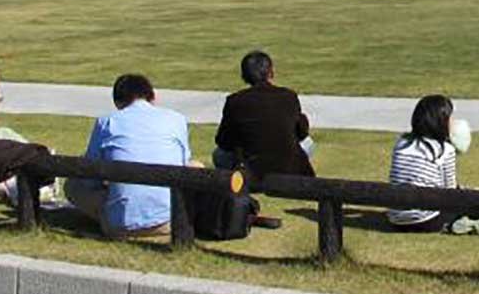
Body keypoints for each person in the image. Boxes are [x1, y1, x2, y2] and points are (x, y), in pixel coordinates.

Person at [64, 74, 192, 238]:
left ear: (117, 103)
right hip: (172, 220)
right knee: (195, 167)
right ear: (153, 97)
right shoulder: (177, 119)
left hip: (120, 224)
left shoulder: (107, 122)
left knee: (73, 185)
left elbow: (90, 178)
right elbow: (182, 163)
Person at [213, 50, 314, 181]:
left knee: (219, 155)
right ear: (271, 72)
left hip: (251, 169)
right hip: (289, 166)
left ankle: (232, 192)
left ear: (244, 76)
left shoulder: (235, 101)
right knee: (309, 144)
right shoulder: (288, 96)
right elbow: (302, 133)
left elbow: (224, 141)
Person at [387, 94, 462, 232]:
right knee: (469, 201)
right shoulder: (445, 150)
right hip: (428, 219)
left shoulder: (401, 143)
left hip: (396, 219)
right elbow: (450, 192)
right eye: (450, 118)